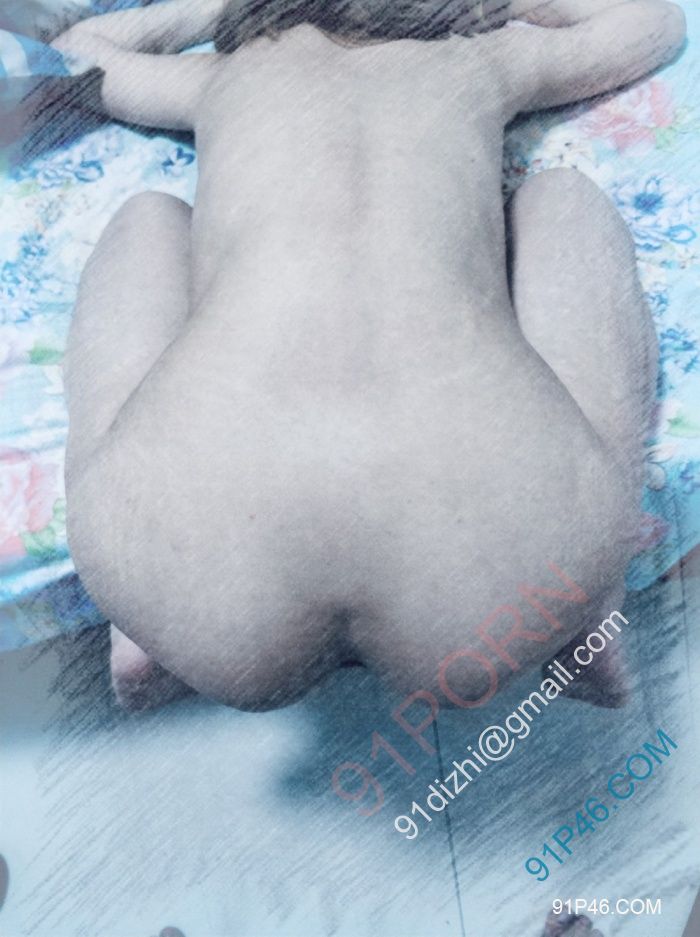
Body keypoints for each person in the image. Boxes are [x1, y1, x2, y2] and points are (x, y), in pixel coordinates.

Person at [51, 0, 686, 711]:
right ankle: (590, 601)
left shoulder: (224, 76)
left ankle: (139, 629)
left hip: (194, 575)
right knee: (563, 196)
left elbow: (77, 55)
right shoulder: (478, 63)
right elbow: (652, 23)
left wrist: (206, 13)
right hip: (507, 575)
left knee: (147, 218)